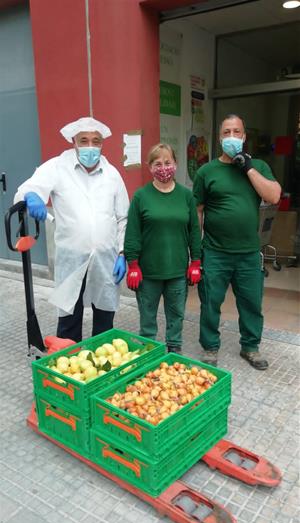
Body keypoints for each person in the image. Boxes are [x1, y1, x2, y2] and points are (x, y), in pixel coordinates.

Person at [14, 117, 129, 342]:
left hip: (106, 259)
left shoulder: (112, 173)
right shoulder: (58, 167)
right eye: (83, 140)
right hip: (72, 260)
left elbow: (123, 217)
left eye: (96, 141)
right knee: (69, 319)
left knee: (105, 317)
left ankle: (101, 367)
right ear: (73, 142)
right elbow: (26, 189)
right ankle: (67, 365)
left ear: (102, 143)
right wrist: (32, 197)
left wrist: (123, 253)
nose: (90, 146)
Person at [193, 114, 281, 369]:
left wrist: (248, 167)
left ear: (244, 137)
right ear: (220, 137)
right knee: (210, 302)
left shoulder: (259, 166)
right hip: (215, 251)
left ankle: (250, 347)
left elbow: (273, 195)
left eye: (236, 132)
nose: (231, 136)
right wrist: (197, 249)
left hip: (248, 253)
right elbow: (197, 210)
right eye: (226, 132)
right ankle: (210, 346)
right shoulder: (206, 171)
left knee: (252, 303)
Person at [124, 143, 201, 353]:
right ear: (150, 168)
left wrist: (196, 262)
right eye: (158, 163)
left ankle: (174, 351)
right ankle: (149, 352)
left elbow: (195, 230)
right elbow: (132, 233)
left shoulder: (186, 196)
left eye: (168, 162)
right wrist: (132, 264)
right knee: (147, 318)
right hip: (148, 273)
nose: (163, 167)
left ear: (175, 164)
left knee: (176, 315)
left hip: (177, 271)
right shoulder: (141, 196)